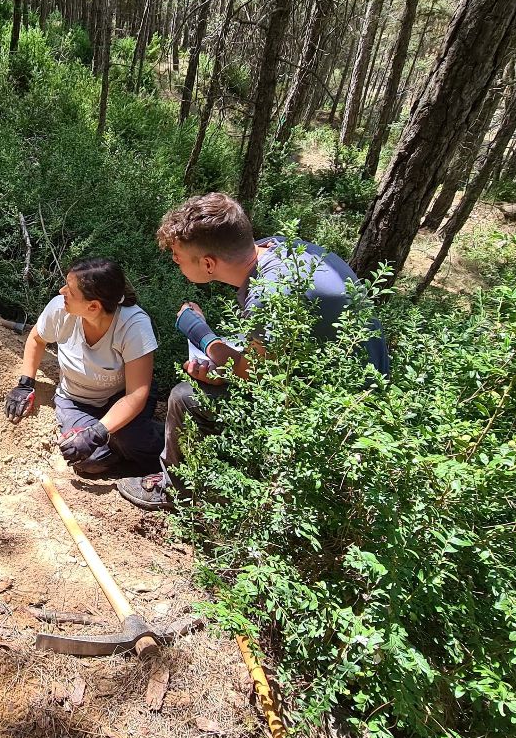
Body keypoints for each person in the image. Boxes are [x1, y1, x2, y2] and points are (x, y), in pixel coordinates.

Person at [117, 192, 389, 510]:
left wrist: (200, 334)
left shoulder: (269, 293)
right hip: (355, 380)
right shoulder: (275, 246)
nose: (174, 261)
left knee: (185, 397)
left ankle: (176, 492)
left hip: (341, 410)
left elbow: (256, 374)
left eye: (178, 256)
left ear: (208, 264)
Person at [5, 258, 164, 476]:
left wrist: (97, 433)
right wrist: (25, 384)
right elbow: (36, 339)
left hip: (121, 397)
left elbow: (136, 395)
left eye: (69, 289)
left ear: (93, 306)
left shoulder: (133, 325)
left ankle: (161, 450)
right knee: (86, 459)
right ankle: (124, 455)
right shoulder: (60, 310)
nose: (61, 292)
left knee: (130, 437)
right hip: (76, 400)